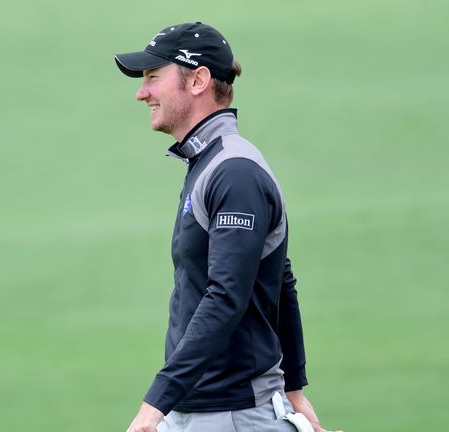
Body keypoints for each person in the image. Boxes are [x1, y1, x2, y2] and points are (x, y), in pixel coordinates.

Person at [114, 22, 338, 432]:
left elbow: (226, 296)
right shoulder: (210, 163)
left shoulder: (233, 172)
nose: (142, 93)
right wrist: (294, 389)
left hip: (230, 418)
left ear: (197, 80)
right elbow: (278, 280)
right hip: (202, 413)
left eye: (153, 78)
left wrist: (153, 406)